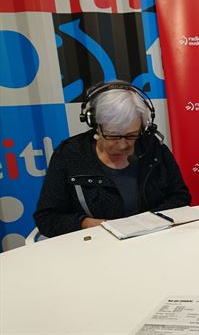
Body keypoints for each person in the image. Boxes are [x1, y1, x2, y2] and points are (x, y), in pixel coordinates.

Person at [34, 81, 191, 237]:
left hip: (151, 241)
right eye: (113, 135)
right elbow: (47, 218)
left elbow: (180, 197)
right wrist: (87, 223)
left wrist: (149, 220)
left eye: (131, 135)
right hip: (94, 248)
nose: (122, 145)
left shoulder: (153, 148)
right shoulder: (69, 155)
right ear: (96, 125)